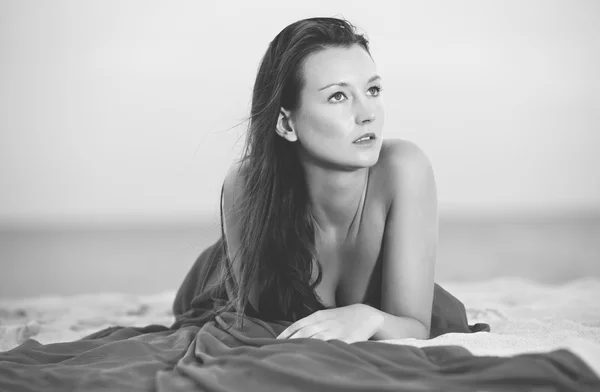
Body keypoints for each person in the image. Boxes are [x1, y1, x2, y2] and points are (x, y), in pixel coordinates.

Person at [172, 16, 488, 343]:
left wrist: (367, 317)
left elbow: (414, 327)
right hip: (220, 276)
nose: (367, 113)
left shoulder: (404, 169)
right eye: (338, 96)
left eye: (373, 90)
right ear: (286, 124)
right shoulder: (244, 186)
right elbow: (260, 322)